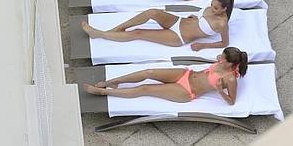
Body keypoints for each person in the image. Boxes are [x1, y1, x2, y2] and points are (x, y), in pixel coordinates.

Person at [83, 47, 248, 104]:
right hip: (186, 74)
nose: (219, 58)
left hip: (187, 90)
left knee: (146, 88)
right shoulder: (222, 61)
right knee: (149, 72)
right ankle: (113, 81)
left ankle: (104, 92)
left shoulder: (230, 79)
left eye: (223, 59)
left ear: (230, 65)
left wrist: (219, 91)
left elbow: (232, 102)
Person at [80, 0, 235, 51]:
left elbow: (224, 43)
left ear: (224, 9)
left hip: (179, 36)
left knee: (139, 33)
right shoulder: (212, 9)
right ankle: (117, 28)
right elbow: (203, 20)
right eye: (211, 5)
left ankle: (100, 34)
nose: (211, 8)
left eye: (215, 8)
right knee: (152, 12)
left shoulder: (222, 24)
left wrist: (202, 45)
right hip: (179, 21)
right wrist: (196, 18)